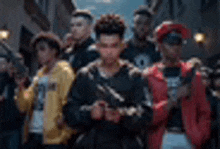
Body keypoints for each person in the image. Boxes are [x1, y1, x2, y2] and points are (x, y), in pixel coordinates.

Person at [63, 14, 153, 149]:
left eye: (114, 46)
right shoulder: (85, 75)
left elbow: (146, 114)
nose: (109, 52)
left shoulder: (135, 76)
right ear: (97, 46)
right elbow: (69, 112)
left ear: (123, 45)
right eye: (104, 46)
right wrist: (89, 113)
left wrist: (122, 115)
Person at [143, 21, 211, 149]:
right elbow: (147, 116)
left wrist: (200, 135)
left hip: (190, 138)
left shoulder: (193, 75)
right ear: (160, 45)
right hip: (162, 139)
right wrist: (173, 100)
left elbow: (204, 112)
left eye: (179, 43)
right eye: (170, 43)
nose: (175, 47)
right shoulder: (149, 76)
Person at [15, 32, 75, 149]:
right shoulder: (39, 75)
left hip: (54, 139)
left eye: (42, 49)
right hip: (33, 134)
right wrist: (21, 87)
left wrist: (64, 133)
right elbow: (24, 106)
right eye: (37, 51)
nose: (39, 54)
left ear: (54, 51)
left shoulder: (64, 72)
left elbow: (70, 103)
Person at [121, 5, 161, 70]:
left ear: (150, 27)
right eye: (138, 23)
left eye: (146, 23)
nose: (142, 27)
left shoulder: (156, 49)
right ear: (133, 25)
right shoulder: (123, 49)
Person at [0, 55, 25, 149]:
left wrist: (20, 83)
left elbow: (26, 98)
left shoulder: (22, 80)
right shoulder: (2, 77)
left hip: (15, 127)